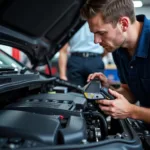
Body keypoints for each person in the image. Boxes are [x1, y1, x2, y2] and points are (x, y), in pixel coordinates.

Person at [81, 0, 150, 128]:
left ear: (123, 24)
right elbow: (130, 91)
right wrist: (108, 90)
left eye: (101, 33)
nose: (96, 41)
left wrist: (132, 111)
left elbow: (131, 108)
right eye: (94, 33)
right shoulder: (118, 48)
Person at [58, 22, 104, 87]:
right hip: (77, 60)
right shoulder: (72, 21)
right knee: (74, 92)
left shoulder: (98, 19)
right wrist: (62, 75)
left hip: (94, 59)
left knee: (96, 93)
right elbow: (63, 50)